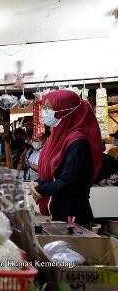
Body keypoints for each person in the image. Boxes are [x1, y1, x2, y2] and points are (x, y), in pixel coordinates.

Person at [29, 90, 102, 227]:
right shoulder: (57, 138)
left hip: (72, 216)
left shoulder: (77, 143)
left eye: (49, 108)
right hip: (58, 211)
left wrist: (41, 189)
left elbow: (69, 183)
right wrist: (37, 183)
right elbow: (53, 172)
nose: (45, 112)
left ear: (64, 111)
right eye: (44, 108)